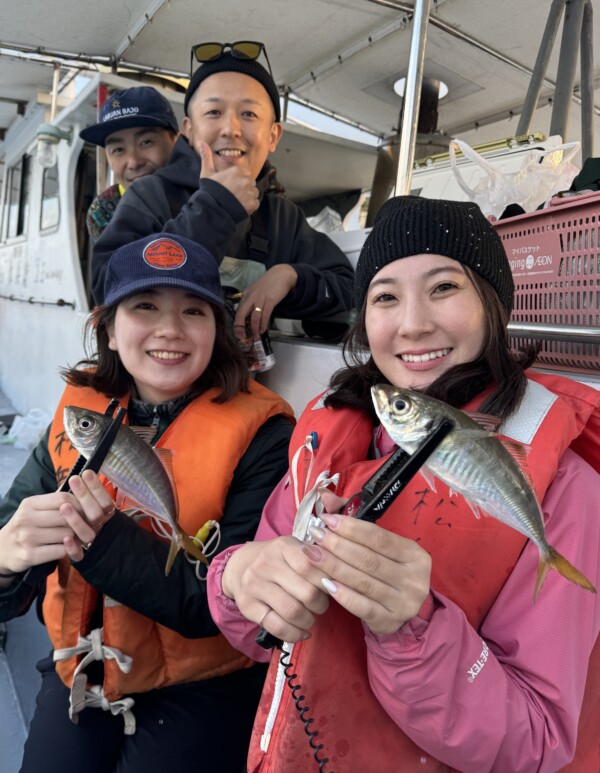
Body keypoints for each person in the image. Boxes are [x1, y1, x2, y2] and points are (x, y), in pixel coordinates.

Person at [206, 196, 600, 772]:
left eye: (444, 287)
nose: (413, 323)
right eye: (385, 296)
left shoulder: (568, 488)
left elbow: (537, 741)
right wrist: (237, 578)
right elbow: (255, 631)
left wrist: (411, 630)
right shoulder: (328, 435)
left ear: (494, 305)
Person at [0, 232, 294, 772]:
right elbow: (10, 539)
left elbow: (217, 604)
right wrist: (4, 562)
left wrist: (97, 538)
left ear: (217, 329)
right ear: (107, 327)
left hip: (203, 683)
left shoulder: (265, 434)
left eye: (194, 311)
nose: (170, 329)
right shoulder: (80, 413)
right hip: (80, 666)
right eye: (144, 306)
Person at [91, 41, 354, 342]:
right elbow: (106, 287)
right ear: (188, 130)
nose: (231, 128)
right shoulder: (149, 196)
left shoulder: (282, 216)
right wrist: (216, 206)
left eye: (249, 114)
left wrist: (290, 278)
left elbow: (347, 288)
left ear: (273, 136)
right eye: (214, 112)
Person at [80, 86, 179, 245]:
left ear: (176, 141)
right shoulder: (104, 210)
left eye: (146, 142)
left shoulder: (207, 190)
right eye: (118, 150)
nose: (134, 162)